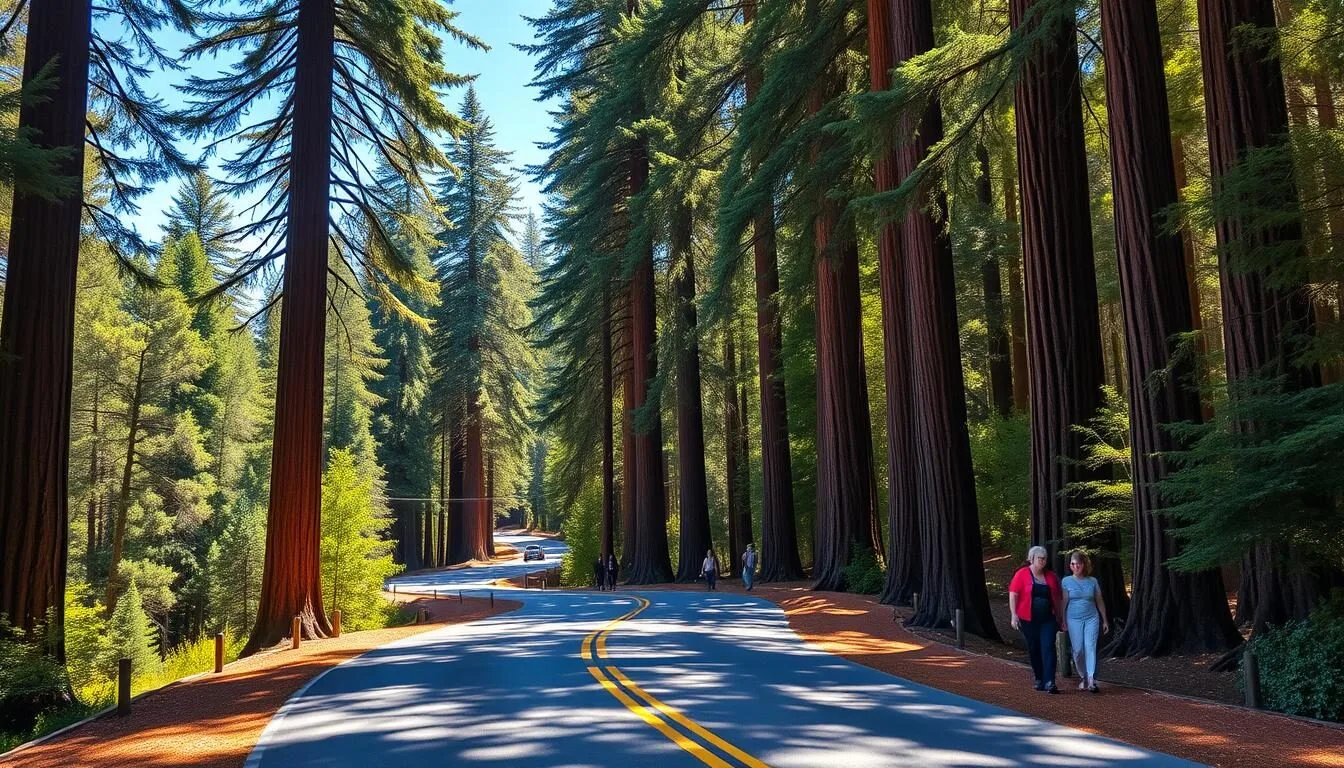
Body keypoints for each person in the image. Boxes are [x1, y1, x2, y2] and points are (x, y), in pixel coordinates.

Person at [1008, 545, 1065, 693]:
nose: (1042, 561)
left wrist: (1060, 617)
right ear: (1032, 559)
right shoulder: (1022, 574)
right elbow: (1013, 594)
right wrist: (1014, 615)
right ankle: (1039, 678)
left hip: (1048, 619)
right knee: (1034, 648)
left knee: (1048, 646)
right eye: (1040, 558)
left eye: (1044, 558)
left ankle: (1050, 681)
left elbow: (1057, 598)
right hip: (1028, 619)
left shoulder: (1051, 576)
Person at [1061, 550, 1109, 693]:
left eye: (1078, 564)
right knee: (1078, 650)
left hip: (1091, 618)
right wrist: (1062, 619)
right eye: (1073, 564)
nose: (1075, 567)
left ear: (1084, 565)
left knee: (1090, 646)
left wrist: (1105, 620)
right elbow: (1064, 601)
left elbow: (1099, 600)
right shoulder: (1066, 581)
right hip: (1073, 618)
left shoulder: (1092, 581)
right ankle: (1083, 675)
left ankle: (1091, 679)